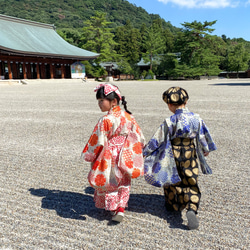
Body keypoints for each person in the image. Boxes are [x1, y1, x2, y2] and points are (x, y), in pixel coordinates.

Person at [143, 87, 217, 230]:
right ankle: (191, 207)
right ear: (186, 101)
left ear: (170, 105)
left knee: (172, 178)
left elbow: (157, 139)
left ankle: (173, 205)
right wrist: (205, 149)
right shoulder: (196, 118)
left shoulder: (169, 121)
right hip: (190, 152)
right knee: (190, 180)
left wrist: (145, 151)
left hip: (173, 153)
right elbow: (202, 136)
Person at [82, 83, 145, 222]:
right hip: (126, 152)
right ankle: (121, 207)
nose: (99, 104)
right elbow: (139, 135)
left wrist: (92, 155)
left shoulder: (106, 120)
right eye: (98, 101)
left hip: (110, 154)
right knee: (124, 180)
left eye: (101, 100)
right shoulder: (129, 117)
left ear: (114, 101)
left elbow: (97, 141)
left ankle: (113, 208)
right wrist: (141, 150)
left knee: (111, 180)